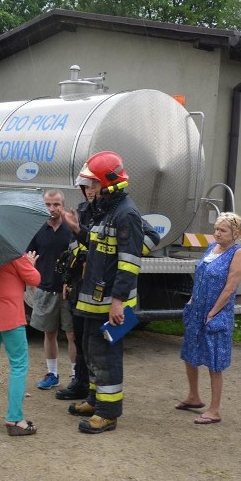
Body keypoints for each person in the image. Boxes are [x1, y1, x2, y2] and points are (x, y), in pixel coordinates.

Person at [63, 151, 144, 434]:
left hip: (112, 303)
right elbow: (99, 248)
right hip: (95, 300)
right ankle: (95, 399)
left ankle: (108, 413)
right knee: (90, 349)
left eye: (93, 184)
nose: (89, 189)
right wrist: (78, 231)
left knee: (106, 355)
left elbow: (128, 263)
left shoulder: (126, 214)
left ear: (109, 184)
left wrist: (118, 302)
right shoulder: (106, 209)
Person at [176, 212, 241, 425]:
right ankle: (193, 396)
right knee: (190, 353)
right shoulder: (211, 248)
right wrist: (191, 301)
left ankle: (215, 409)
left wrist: (213, 312)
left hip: (215, 313)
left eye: (222, 230)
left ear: (235, 233)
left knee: (215, 361)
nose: (217, 233)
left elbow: (230, 287)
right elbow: (200, 277)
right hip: (197, 310)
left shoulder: (237, 253)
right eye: (216, 229)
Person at [0, 251, 41, 436]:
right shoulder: (13, 254)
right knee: (19, 365)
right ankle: (14, 419)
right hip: (11, 317)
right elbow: (35, 279)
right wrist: (30, 263)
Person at [55, 175, 100, 400]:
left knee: (96, 342)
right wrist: (67, 280)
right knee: (79, 337)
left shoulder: (115, 214)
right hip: (78, 285)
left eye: (95, 186)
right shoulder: (81, 210)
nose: (90, 190)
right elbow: (72, 250)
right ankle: (81, 384)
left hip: (100, 287)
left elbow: (148, 238)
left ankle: (95, 388)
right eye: (86, 187)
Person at [26, 190, 75, 391]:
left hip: (68, 291)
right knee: (49, 333)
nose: (52, 209)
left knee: (72, 335)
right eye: (48, 205)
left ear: (63, 206)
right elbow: (28, 256)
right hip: (45, 289)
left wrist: (71, 282)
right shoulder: (37, 229)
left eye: (56, 205)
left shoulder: (72, 229)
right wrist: (29, 268)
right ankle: (52, 374)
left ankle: (76, 375)